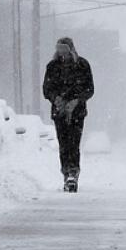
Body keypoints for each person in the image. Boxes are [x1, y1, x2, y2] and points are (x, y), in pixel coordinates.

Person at [42, 37, 94, 192]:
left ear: (71, 49)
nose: (61, 51)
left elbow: (90, 89)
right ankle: (66, 173)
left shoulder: (82, 65)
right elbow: (47, 89)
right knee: (63, 144)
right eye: (59, 48)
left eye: (64, 48)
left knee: (74, 143)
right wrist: (55, 98)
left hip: (77, 112)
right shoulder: (52, 66)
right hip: (59, 112)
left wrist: (77, 100)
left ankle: (73, 173)